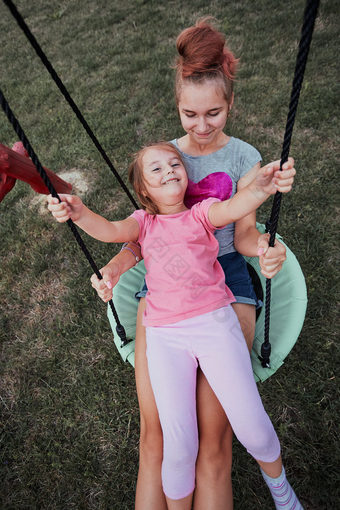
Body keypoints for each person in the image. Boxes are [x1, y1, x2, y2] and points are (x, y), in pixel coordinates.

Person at [90, 19, 296, 510]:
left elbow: (242, 234)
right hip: (164, 296)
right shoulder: (163, 160)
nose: (201, 127)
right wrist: (117, 267)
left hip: (224, 281)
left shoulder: (245, 156)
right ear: (177, 107)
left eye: (213, 114)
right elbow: (145, 237)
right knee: (157, 437)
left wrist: (267, 248)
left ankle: (279, 488)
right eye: (189, 114)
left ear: (230, 106)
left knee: (215, 437)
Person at [47, 141, 301, 510]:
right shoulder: (143, 222)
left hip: (216, 326)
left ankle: (280, 489)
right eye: (156, 169)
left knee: (252, 426)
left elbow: (234, 206)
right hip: (166, 339)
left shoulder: (201, 213)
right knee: (179, 446)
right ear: (144, 190)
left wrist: (261, 187)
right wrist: (79, 210)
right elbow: (108, 230)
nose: (169, 170)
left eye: (174, 164)